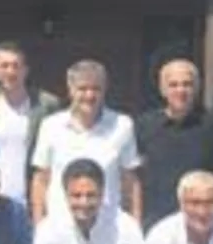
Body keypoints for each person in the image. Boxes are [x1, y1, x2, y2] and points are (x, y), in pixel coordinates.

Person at [30, 60, 142, 223]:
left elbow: (130, 182)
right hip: (60, 224)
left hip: (108, 224)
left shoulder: (122, 125)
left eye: (96, 89)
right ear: (70, 90)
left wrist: (135, 223)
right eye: (82, 89)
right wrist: (38, 224)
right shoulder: (51, 126)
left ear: (105, 90)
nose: (89, 95)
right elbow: (41, 179)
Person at [135, 58, 213, 231]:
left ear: (197, 88)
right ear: (162, 90)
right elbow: (133, 176)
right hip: (156, 221)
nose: (180, 90)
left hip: (203, 221)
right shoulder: (145, 125)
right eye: (173, 85)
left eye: (187, 84)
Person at [0, 41, 62, 206]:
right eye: (4, 66)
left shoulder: (47, 105)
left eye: (16, 66)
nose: (10, 72)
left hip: (32, 200)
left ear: (25, 70)